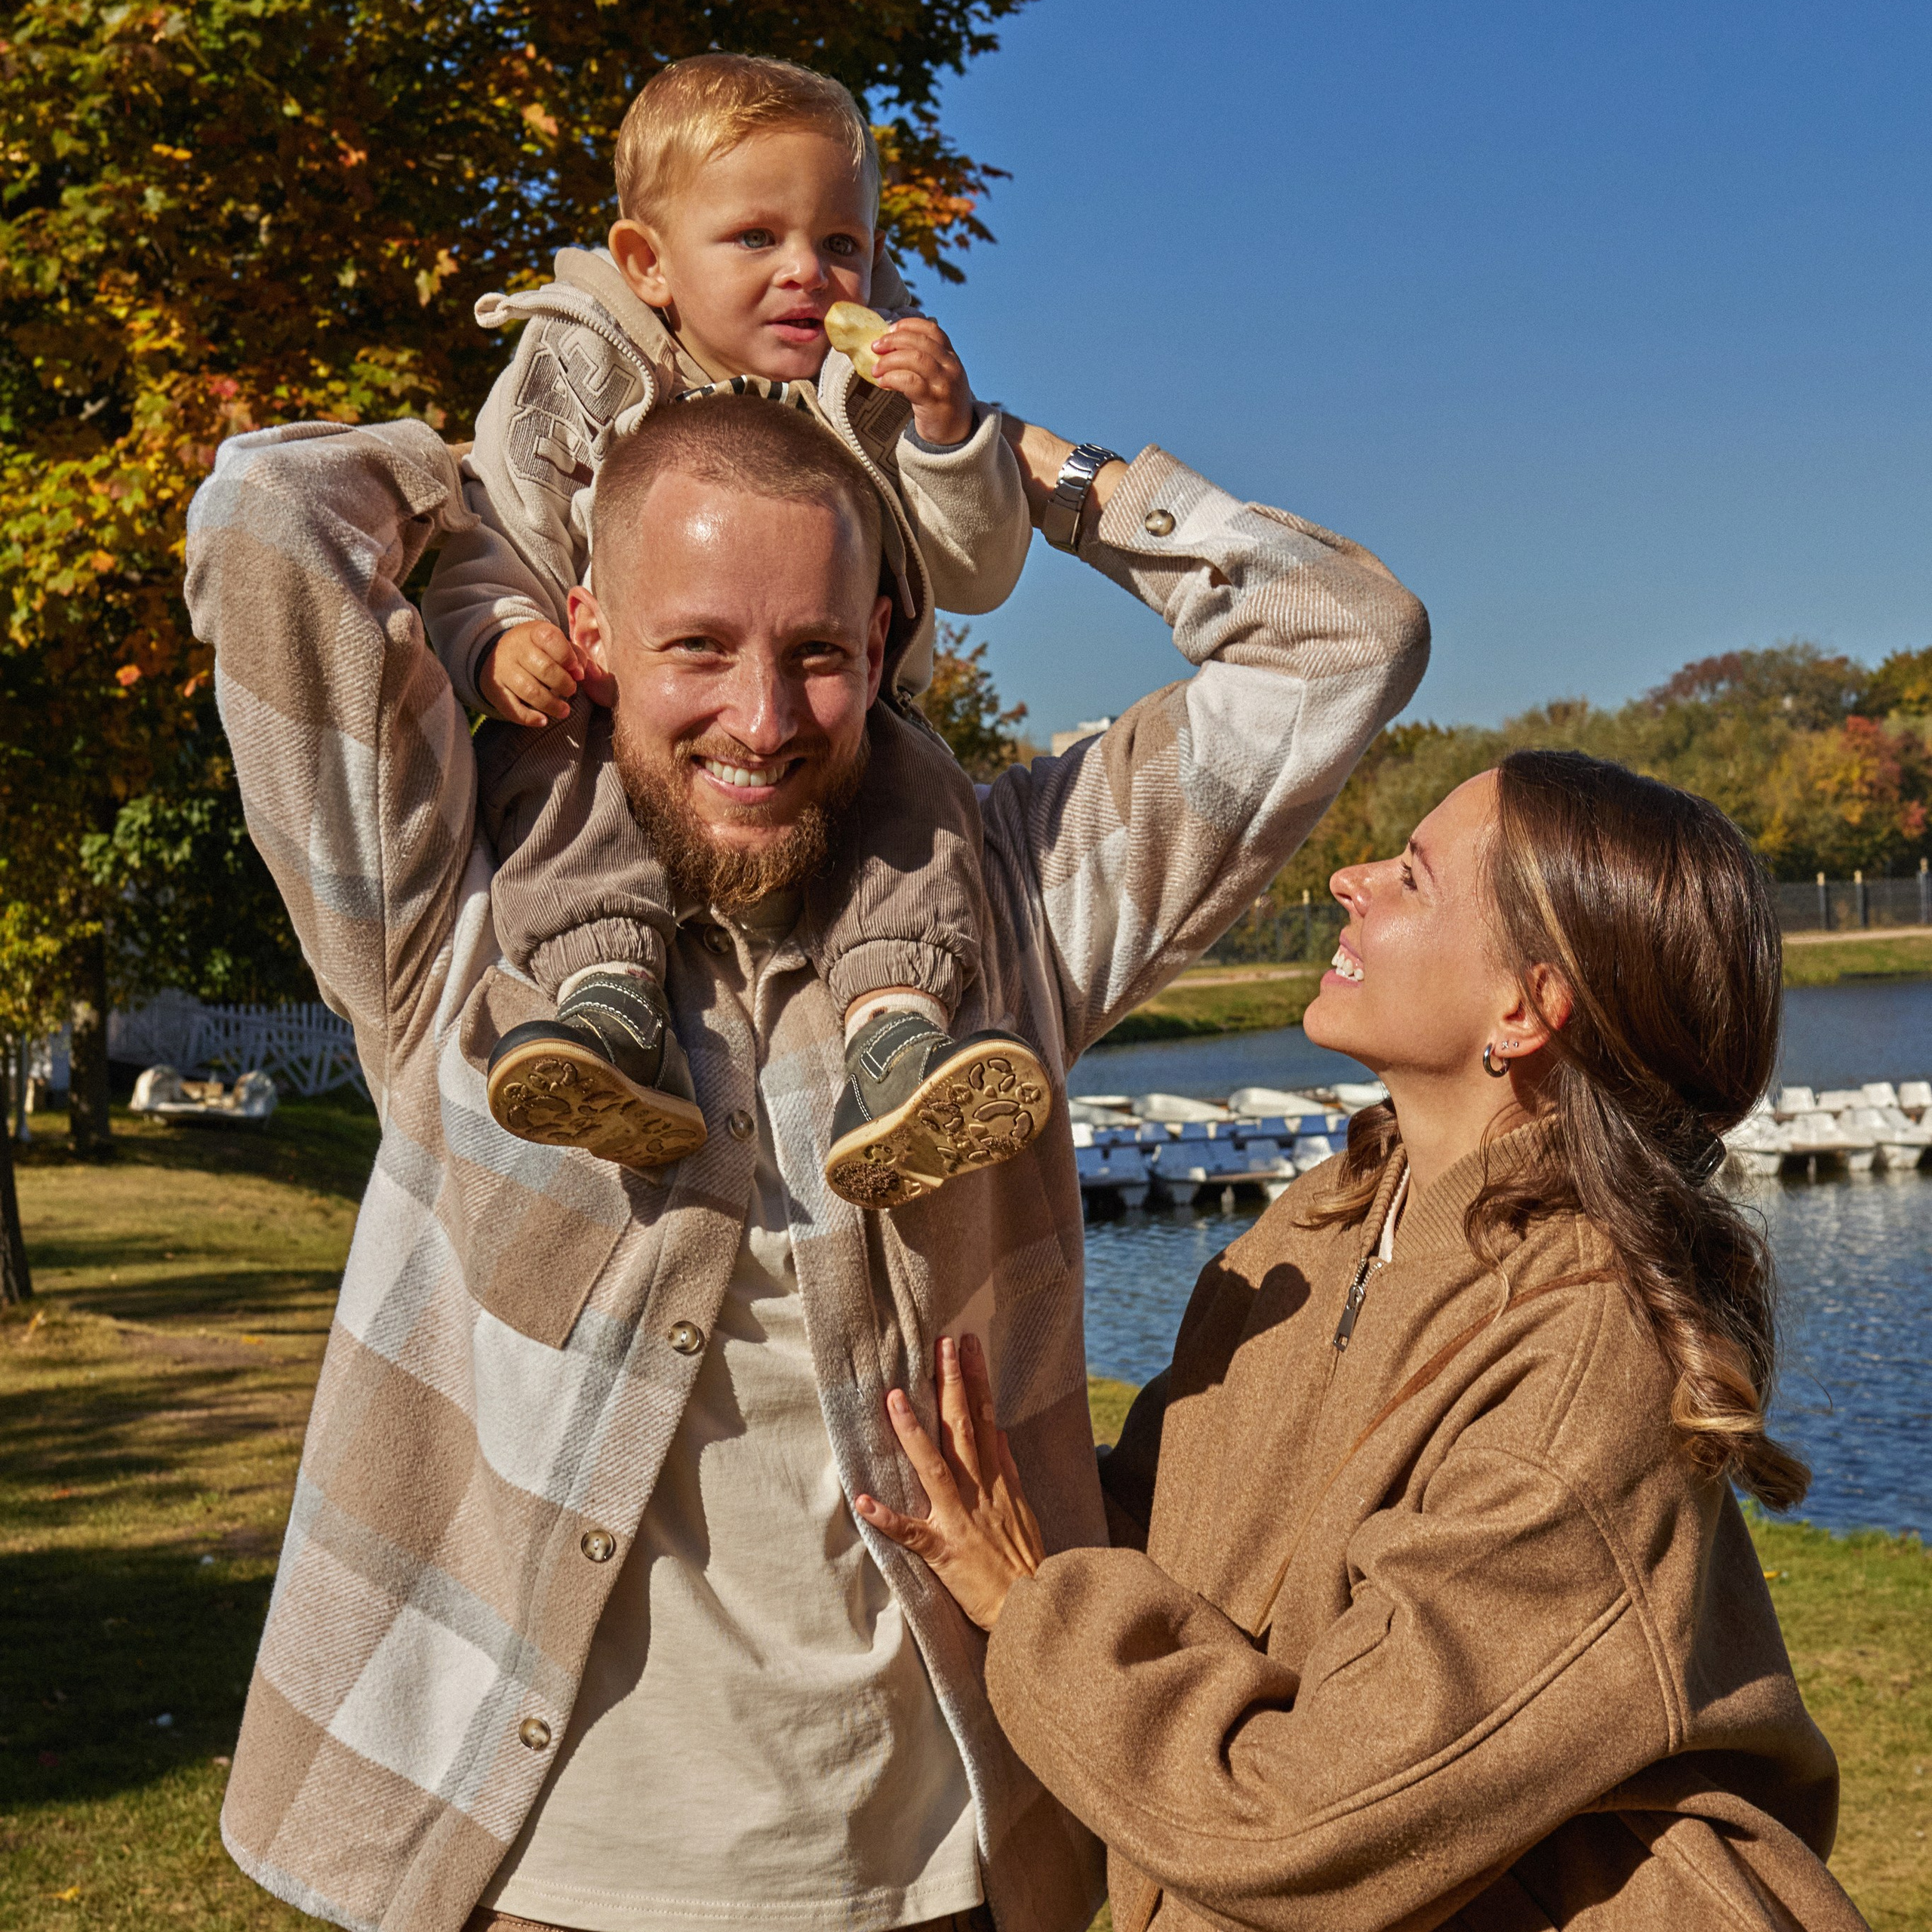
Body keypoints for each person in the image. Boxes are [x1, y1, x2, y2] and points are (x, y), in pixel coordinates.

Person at [183, 389, 1428, 1932]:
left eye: (818, 654)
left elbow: (1343, 636)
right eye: (696, 644)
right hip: (535, 1876)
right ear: (591, 633)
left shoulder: (1006, 909)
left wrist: (1013, 456)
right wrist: (527, 443)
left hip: (937, 1876)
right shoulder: (449, 908)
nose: (762, 722)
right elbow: (267, 514)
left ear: (885, 646)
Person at [860, 750, 1866, 1932]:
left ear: (1526, 1008)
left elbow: (1300, 1820)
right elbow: (1161, 1534)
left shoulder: (1586, 1374)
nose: (1349, 877)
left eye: (1413, 879)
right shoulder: (1324, 1221)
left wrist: (1033, 1608)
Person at [423, 51, 1048, 1210]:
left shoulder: (873, 392)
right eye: (756, 239)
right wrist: (500, 635)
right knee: (560, 772)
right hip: (617, 716)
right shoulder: (575, 373)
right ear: (646, 264)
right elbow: (485, 538)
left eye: (844, 245)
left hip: (841, 722)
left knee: (920, 807)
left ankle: (898, 1038)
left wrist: (954, 442)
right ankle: (607, 1004)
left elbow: (978, 576)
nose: (809, 273)